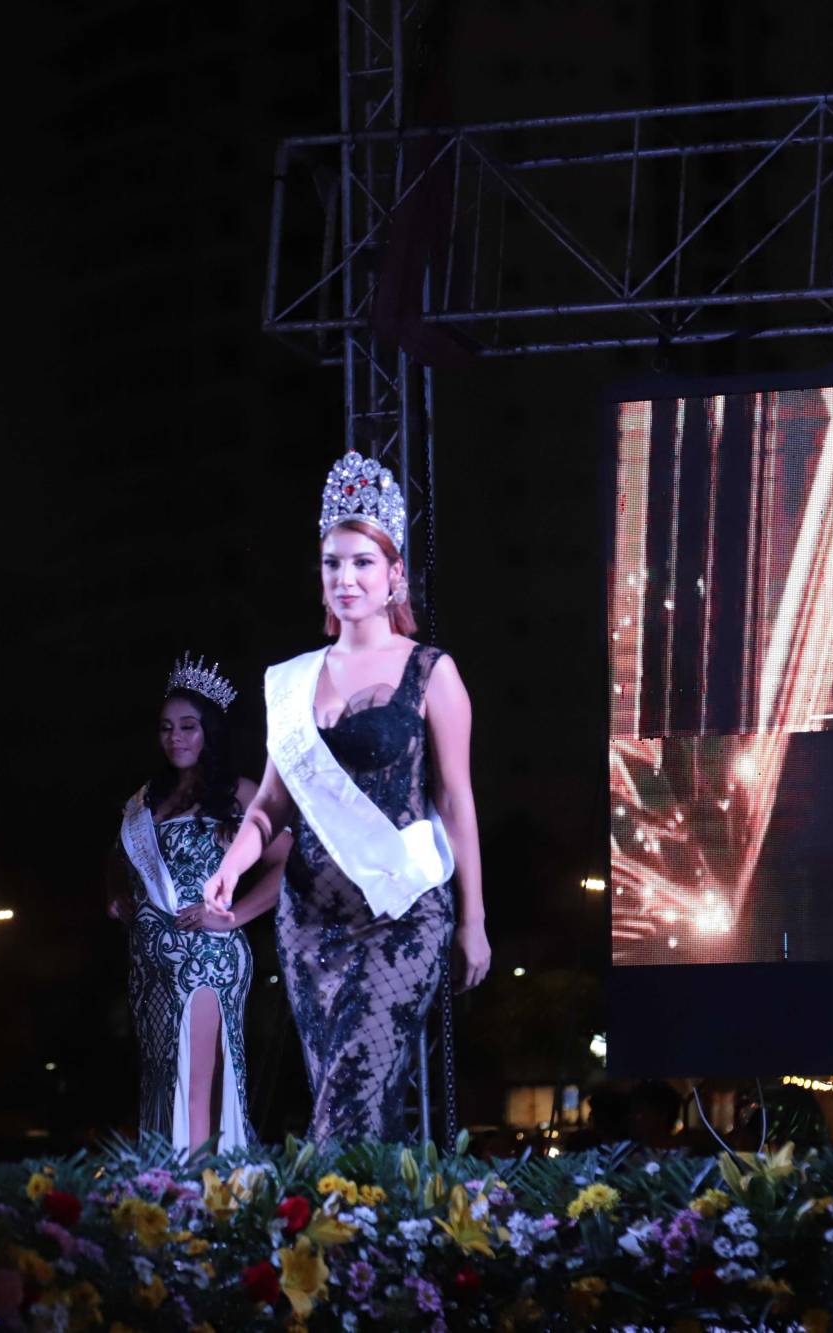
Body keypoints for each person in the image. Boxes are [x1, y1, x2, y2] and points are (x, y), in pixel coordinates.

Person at [204, 452, 490, 1143]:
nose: (346, 578)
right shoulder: (295, 681)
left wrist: (472, 921)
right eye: (333, 563)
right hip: (308, 924)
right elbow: (271, 804)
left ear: (394, 574)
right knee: (346, 1101)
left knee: (351, 1104)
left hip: (401, 916)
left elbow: (457, 801)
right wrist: (233, 866)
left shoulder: (431, 672)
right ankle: (379, 1239)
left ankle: (323, 1240)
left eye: (363, 562)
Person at [108, 655, 287, 1154]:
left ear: (210, 731)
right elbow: (119, 861)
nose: (175, 738)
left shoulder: (238, 794)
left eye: (188, 726)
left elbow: (287, 864)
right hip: (150, 964)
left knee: (195, 1079)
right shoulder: (146, 800)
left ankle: (200, 1197)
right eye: (166, 728)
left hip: (207, 958)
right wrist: (117, 896)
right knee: (160, 1082)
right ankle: (163, 1193)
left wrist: (231, 917)